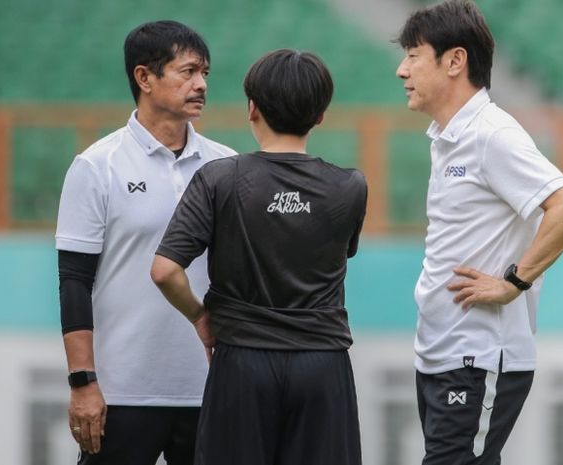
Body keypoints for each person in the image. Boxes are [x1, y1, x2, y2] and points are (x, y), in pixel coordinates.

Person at [395, 1, 563, 464]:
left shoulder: (491, 133)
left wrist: (512, 283)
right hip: (442, 353)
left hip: (478, 357)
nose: (402, 70)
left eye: (413, 55)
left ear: (455, 60)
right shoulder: (448, 136)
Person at [150, 48, 367, 465]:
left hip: (242, 362)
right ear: (320, 115)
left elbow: (164, 271)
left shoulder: (218, 178)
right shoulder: (350, 186)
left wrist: (200, 316)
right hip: (322, 365)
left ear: (252, 108)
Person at [55, 20, 236, 465]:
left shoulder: (227, 166)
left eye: (205, 74)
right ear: (144, 77)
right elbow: (74, 282)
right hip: (121, 392)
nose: (201, 85)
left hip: (208, 389)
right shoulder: (97, 166)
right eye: (188, 71)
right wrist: (83, 382)